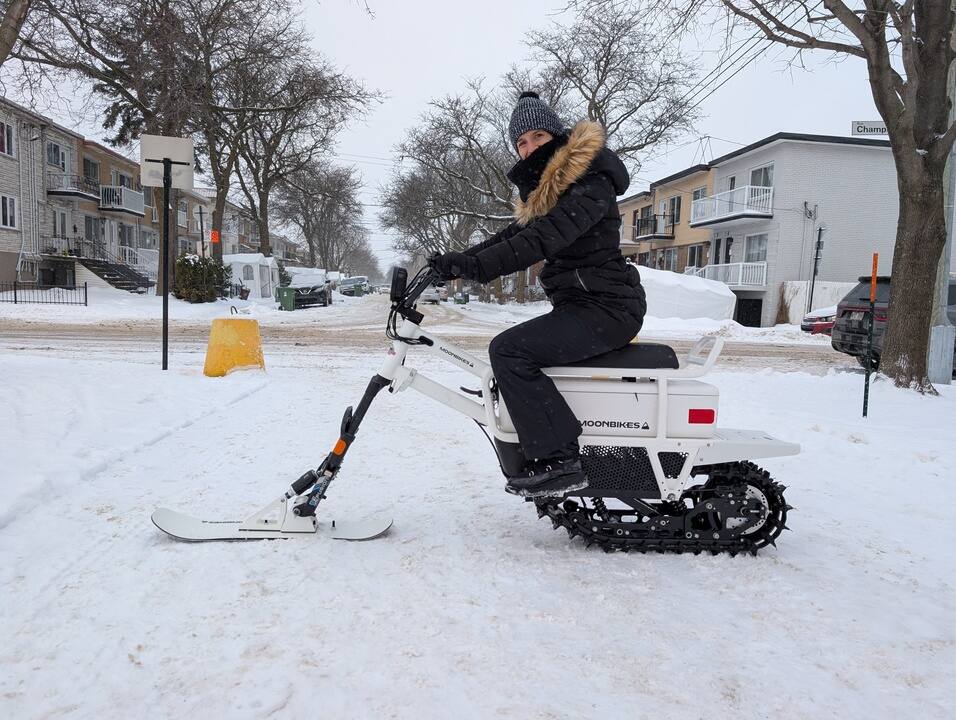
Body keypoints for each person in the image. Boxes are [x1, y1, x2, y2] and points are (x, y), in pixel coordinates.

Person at [430, 91, 646, 498]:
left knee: (510, 351)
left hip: (610, 309)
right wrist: (456, 261)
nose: (529, 148)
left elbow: (544, 238)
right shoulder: (551, 193)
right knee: (510, 354)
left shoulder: (591, 183)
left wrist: (474, 268)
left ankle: (561, 461)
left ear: (558, 138)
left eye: (537, 137)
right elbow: (514, 235)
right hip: (585, 306)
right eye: (521, 143)